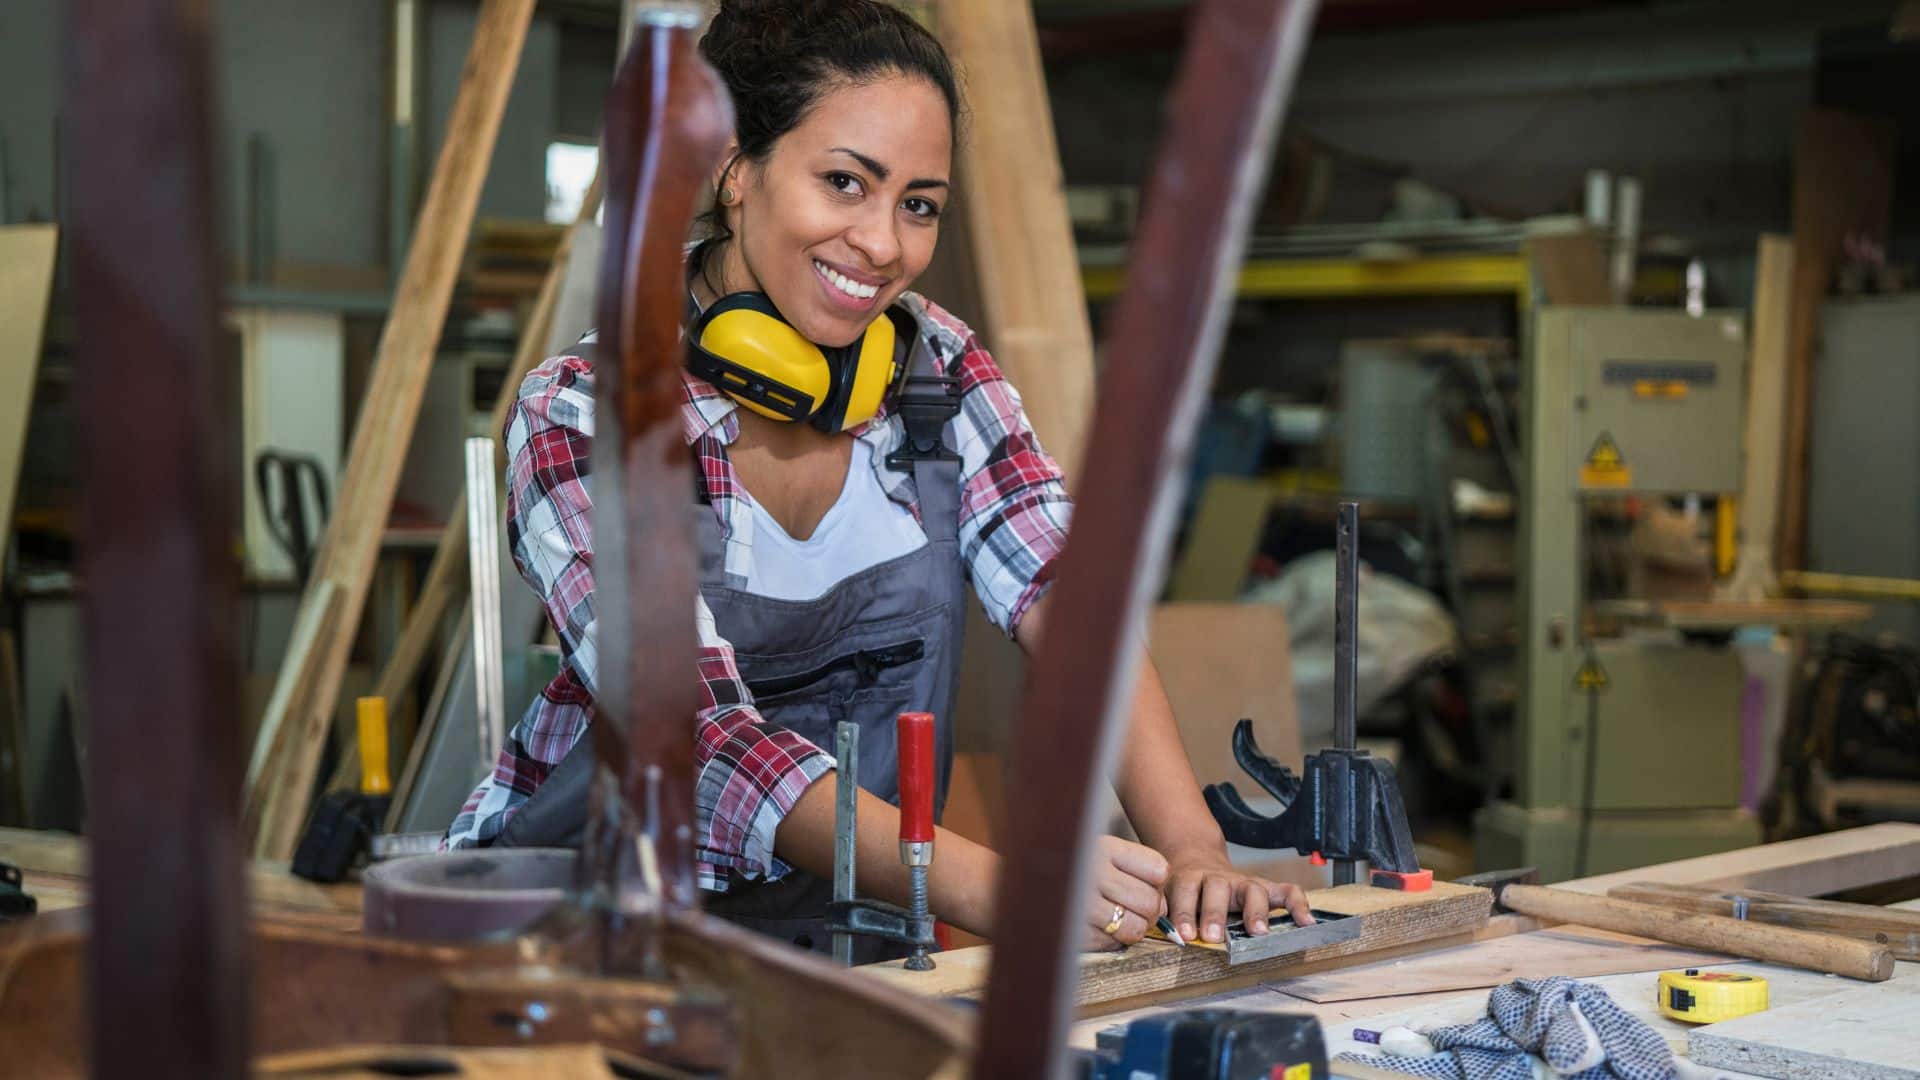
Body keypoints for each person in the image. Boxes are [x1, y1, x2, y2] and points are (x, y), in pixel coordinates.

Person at [447, 0, 1310, 960]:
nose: (884, 244)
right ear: (735, 169)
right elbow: (689, 733)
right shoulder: (585, 409)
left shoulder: (936, 372)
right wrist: (1001, 885)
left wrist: (1190, 849)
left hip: (848, 943)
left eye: (918, 203)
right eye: (844, 182)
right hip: (585, 942)